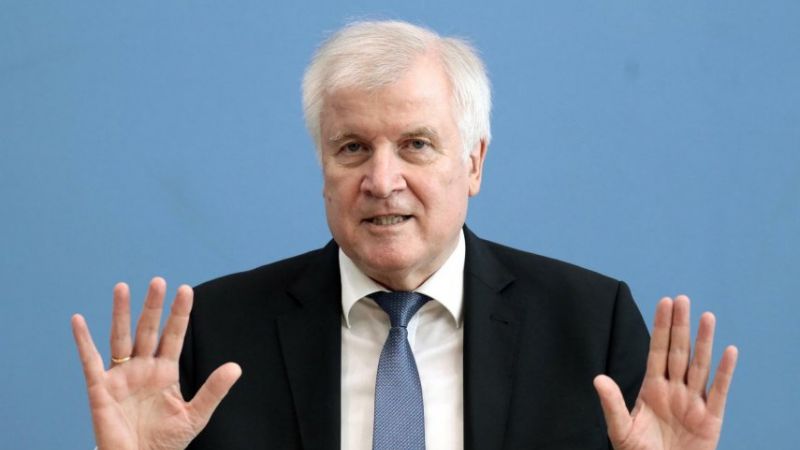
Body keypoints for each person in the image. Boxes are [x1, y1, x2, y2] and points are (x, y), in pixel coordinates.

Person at [71, 20, 738, 450]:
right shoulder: (216, 333)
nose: (381, 180)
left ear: (473, 163)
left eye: (416, 144)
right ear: (322, 167)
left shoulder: (591, 326)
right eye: (353, 148)